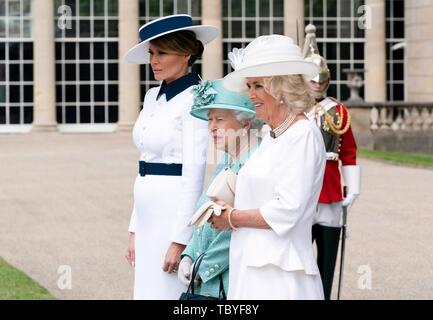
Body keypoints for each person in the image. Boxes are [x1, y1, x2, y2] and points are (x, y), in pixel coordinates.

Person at [211, 35, 326, 300]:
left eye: (258, 86)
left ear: (282, 89)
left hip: (280, 273)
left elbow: (288, 209)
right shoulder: (271, 135)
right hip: (251, 266)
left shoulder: (303, 135)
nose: (250, 95)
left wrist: (232, 218)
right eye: (250, 86)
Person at [123, 14, 218, 299]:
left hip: (172, 211)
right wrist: (133, 229)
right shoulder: (152, 96)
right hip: (146, 210)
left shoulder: (196, 98)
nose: (154, 60)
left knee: (168, 292)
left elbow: (194, 174)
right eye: (152, 53)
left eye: (162, 53)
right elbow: (144, 168)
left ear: (186, 53)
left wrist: (180, 239)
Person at [176, 79, 259, 299]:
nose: (212, 126)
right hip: (210, 283)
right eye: (210, 119)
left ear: (246, 123)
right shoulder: (226, 160)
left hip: (233, 283)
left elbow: (237, 229)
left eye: (220, 119)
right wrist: (189, 255)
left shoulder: (255, 164)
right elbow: (203, 217)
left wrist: (203, 268)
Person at [303, 24, 361, 300]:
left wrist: (354, 188)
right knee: (298, 257)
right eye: (312, 80)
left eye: (320, 80)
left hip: (330, 189)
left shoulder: (337, 111)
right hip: (300, 187)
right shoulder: (292, 108)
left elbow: (348, 152)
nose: (317, 85)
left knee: (327, 260)